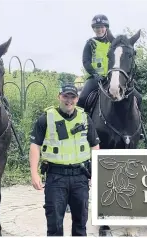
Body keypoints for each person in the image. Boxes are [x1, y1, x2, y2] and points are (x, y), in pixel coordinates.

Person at [29, 83, 100, 236]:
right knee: (54, 225)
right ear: (59, 97)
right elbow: (35, 146)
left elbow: (95, 146)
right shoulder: (46, 118)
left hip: (80, 177)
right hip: (56, 177)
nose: (69, 100)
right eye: (65, 96)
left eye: (72, 97)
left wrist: (96, 172)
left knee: (80, 225)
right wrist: (34, 173)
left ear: (77, 98)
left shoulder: (85, 118)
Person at [77, 14, 111, 110]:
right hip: (95, 79)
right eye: (96, 27)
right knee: (82, 98)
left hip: (112, 77)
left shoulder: (113, 43)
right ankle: (80, 123)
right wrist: (95, 74)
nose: (99, 30)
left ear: (106, 28)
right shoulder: (90, 43)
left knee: (135, 95)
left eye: (101, 27)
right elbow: (86, 61)